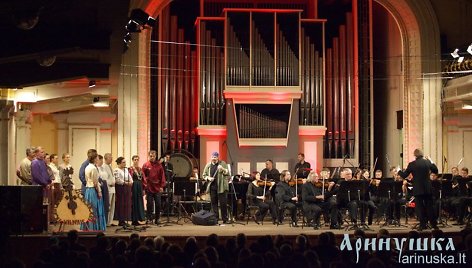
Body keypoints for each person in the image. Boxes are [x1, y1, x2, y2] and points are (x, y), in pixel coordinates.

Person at [398, 148, 439, 231]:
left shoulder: (412, 164)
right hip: (427, 188)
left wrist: (399, 171)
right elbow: (436, 170)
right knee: (429, 207)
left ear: (415, 155)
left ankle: (422, 225)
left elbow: (404, 175)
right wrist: (431, 160)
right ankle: (434, 225)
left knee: (419, 208)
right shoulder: (427, 162)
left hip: (418, 189)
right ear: (422, 154)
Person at [80, 151, 106, 231]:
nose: (98, 159)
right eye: (97, 158)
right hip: (93, 190)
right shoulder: (93, 168)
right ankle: (95, 227)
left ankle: (87, 227)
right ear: (95, 159)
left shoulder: (88, 167)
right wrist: (99, 192)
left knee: (89, 208)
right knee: (95, 209)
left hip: (88, 190)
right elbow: (95, 182)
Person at [202, 152, 230, 223]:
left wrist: (222, 169)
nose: (213, 159)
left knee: (223, 203)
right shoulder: (208, 165)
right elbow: (204, 175)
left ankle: (225, 219)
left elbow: (227, 173)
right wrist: (208, 178)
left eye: (215, 157)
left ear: (218, 157)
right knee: (214, 204)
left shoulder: (222, 163)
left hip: (221, 187)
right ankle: (216, 218)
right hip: (212, 187)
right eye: (212, 157)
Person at [142, 150, 166, 225]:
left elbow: (162, 176)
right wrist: (145, 185)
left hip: (157, 187)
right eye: (151, 156)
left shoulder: (159, 165)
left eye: (154, 156)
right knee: (149, 204)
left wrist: (162, 186)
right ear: (149, 156)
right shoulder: (146, 165)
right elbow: (143, 176)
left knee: (158, 204)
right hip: (149, 187)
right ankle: (149, 219)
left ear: (156, 156)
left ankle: (157, 219)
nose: (152, 157)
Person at [114, 157, 133, 226]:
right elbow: (117, 180)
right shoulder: (116, 170)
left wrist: (131, 182)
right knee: (121, 204)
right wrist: (125, 182)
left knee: (126, 204)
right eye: (123, 162)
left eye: (125, 162)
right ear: (119, 163)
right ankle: (120, 220)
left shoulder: (126, 170)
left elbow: (130, 177)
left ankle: (125, 219)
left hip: (127, 188)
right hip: (120, 188)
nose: (125, 163)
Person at [129, 155, 145, 226]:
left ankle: (138, 219)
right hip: (133, 187)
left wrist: (144, 189)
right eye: (134, 159)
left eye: (137, 159)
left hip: (139, 187)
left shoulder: (140, 169)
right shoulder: (130, 169)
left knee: (139, 203)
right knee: (134, 203)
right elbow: (129, 179)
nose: (136, 161)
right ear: (132, 160)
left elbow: (144, 179)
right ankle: (133, 220)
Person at [103, 153, 116, 226]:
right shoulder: (103, 167)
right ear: (106, 158)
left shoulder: (110, 166)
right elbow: (104, 178)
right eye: (110, 158)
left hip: (113, 188)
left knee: (112, 206)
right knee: (108, 205)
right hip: (108, 188)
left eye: (112, 158)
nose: (111, 159)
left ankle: (110, 221)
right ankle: (107, 221)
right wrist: (110, 183)